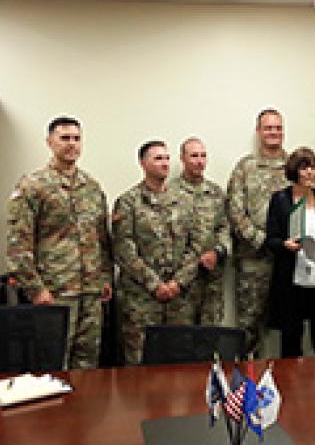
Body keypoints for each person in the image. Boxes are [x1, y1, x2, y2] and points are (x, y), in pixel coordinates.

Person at [7, 116, 112, 369]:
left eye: (76, 139)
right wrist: (35, 289)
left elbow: (101, 238)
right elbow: (18, 244)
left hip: (90, 292)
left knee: (88, 364)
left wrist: (105, 278)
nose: (71, 144)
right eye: (64, 138)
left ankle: (83, 409)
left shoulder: (92, 187)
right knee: (53, 362)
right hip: (55, 292)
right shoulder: (33, 185)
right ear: (49, 142)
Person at [112, 140, 199, 365]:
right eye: (158, 158)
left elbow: (196, 245)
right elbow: (124, 249)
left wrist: (178, 283)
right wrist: (154, 284)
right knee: (140, 362)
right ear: (143, 163)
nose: (164, 163)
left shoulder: (185, 200)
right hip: (142, 299)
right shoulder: (128, 202)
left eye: (167, 158)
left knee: (178, 361)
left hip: (179, 298)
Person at [266, 147, 315, 357]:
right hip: (291, 279)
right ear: (294, 171)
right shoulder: (280, 200)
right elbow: (271, 239)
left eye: (312, 167)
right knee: (291, 340)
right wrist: (285, 244)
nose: (310, 172)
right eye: (304, 168)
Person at [227, 108, 289, 355]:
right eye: (268, 128)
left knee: (289, 324)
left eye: (278, 128)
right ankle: (248, 384)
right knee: (249, 325)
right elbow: (235, 211)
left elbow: (307, 205)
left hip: (288, 259)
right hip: (254, 259)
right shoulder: (245, 167)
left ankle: (285, 384)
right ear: (259, 131)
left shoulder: (295, 165)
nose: (274, 133)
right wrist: (265, 241)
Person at [170, 137, 230, 326]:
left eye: (203, 156)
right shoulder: (169, 192)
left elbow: (225, 227)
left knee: (210, 338)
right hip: (182, 281)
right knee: (181, 340)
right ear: (182, 158)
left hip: (211, 279)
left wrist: (217, 252)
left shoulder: (216, 193)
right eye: (194, 155)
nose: (199, 161)